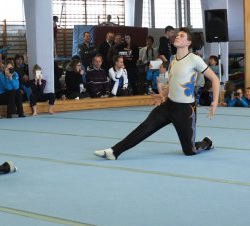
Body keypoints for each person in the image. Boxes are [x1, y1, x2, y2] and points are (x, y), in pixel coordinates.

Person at [94, 27, 219, 160]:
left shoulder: (195, 59)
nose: (177, 36)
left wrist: (215, 101)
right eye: (177, 35)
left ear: (188, 42)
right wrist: (163, 95)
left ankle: (207, 143)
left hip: (185, 110)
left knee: (189, 150)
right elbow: (172, 82)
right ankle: (114, 152)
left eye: (181, 36)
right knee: (144, 128)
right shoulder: (173, 58)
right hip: (169, 106)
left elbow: (215, 79)